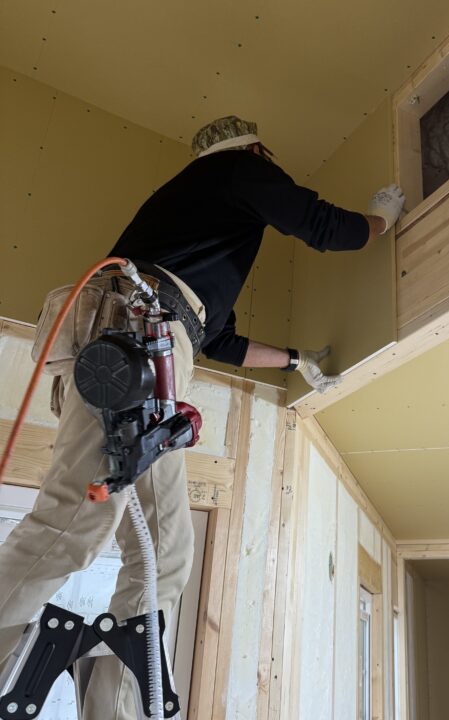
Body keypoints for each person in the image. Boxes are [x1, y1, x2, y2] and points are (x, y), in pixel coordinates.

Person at [0, 115, 404, 718]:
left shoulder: (195, 225)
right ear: (255, 148)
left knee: (166, 551)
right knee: (74, 522)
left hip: (155, 340)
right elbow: (326, 227)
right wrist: (379, 222)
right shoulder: (236, 170)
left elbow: (219, 340)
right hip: (138, 338)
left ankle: (114, 706)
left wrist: (297, 360)